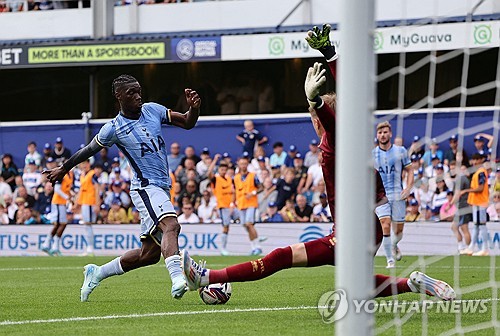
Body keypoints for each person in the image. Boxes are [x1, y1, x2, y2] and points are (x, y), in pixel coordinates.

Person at [182, 25, 454, 301]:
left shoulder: (335, 140)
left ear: (317, 119)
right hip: (362, 227)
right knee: (359, 286)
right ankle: (413, 283)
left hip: (354, 230)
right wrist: (330, 54)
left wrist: (317, 102)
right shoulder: (356, 135)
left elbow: (333, 123)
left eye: (314, 117)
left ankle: (206, 277)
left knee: (281, 257)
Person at [43, 74, 201, 301]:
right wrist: (64, 168)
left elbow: (187, 122)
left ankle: (97, 272)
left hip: (162, 187)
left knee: (149, 255)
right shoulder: (113, 128)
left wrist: (194, 108)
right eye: (131, 93)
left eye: (139, 91)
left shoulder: (153, 110)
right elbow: (88, 150)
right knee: (172, 225)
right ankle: (178, 278)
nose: (138, 96)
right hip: (145, 187)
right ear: (119, 96)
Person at [372, 120, 414, 267]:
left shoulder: (400, 151)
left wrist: (408, 188)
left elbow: (410, 170)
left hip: (398, 194)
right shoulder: (372, 154)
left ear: (390, 134)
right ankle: (390, 260)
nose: (382, 135)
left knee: (399, 230)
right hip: (380, 196)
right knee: (385, 224)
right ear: (377, 135)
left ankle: (394, 245)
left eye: (385, 132)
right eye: (380, 132)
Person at [234, 156, 264, 255]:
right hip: (241, 204)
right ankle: (254, 246)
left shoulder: (253, 175)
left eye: (245, 164)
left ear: (247, 165)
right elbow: (236, 191)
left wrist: (253, 193)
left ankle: (258, 245)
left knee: (249, 223)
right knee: (245, 225)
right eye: (241, 164)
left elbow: (261, 187)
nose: (243, 166)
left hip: (251, 203)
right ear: (239, 164)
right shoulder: (236, 177)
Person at [41, 164, 74, 256]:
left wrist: (71, 195)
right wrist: (68, 197)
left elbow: (66, 188)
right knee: (61, 224)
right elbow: (57, 189)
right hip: (58, 201)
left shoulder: (70, 175)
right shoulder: (62, 174)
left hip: (62, 202)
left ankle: (48, 245)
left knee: (60, 224)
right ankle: (51, 245)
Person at [461, 153, 490, 256]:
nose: (474, 162)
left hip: (480, 201)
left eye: (476, 160)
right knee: (477, 225)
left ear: (480, 160)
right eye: (473, 160)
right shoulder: (478, 172)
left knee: (481, 225)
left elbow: (481, 188)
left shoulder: (481, 172)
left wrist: (466, 191)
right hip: (476, 202)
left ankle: (485, 248)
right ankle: (471, 247)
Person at [208, 155, 234, 255]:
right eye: (221, 169)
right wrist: (214, 160)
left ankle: (255, 238)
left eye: (224, 169)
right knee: (226, 226)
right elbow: (209, 173)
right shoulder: (216, 179)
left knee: (245, 221)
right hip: (222, 206)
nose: (223, 170)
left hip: (231, 206)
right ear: (219, 169)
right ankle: (223, 248)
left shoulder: (229, 179)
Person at [451, 170, 472, 254]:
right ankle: (461, 247)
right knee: (454, 227)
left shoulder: (461, 179)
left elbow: (457, 194)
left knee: (464, 228)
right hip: (461, 206)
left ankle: (468, 248)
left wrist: (450, 204)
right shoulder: (462, 178)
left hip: (463, 206)